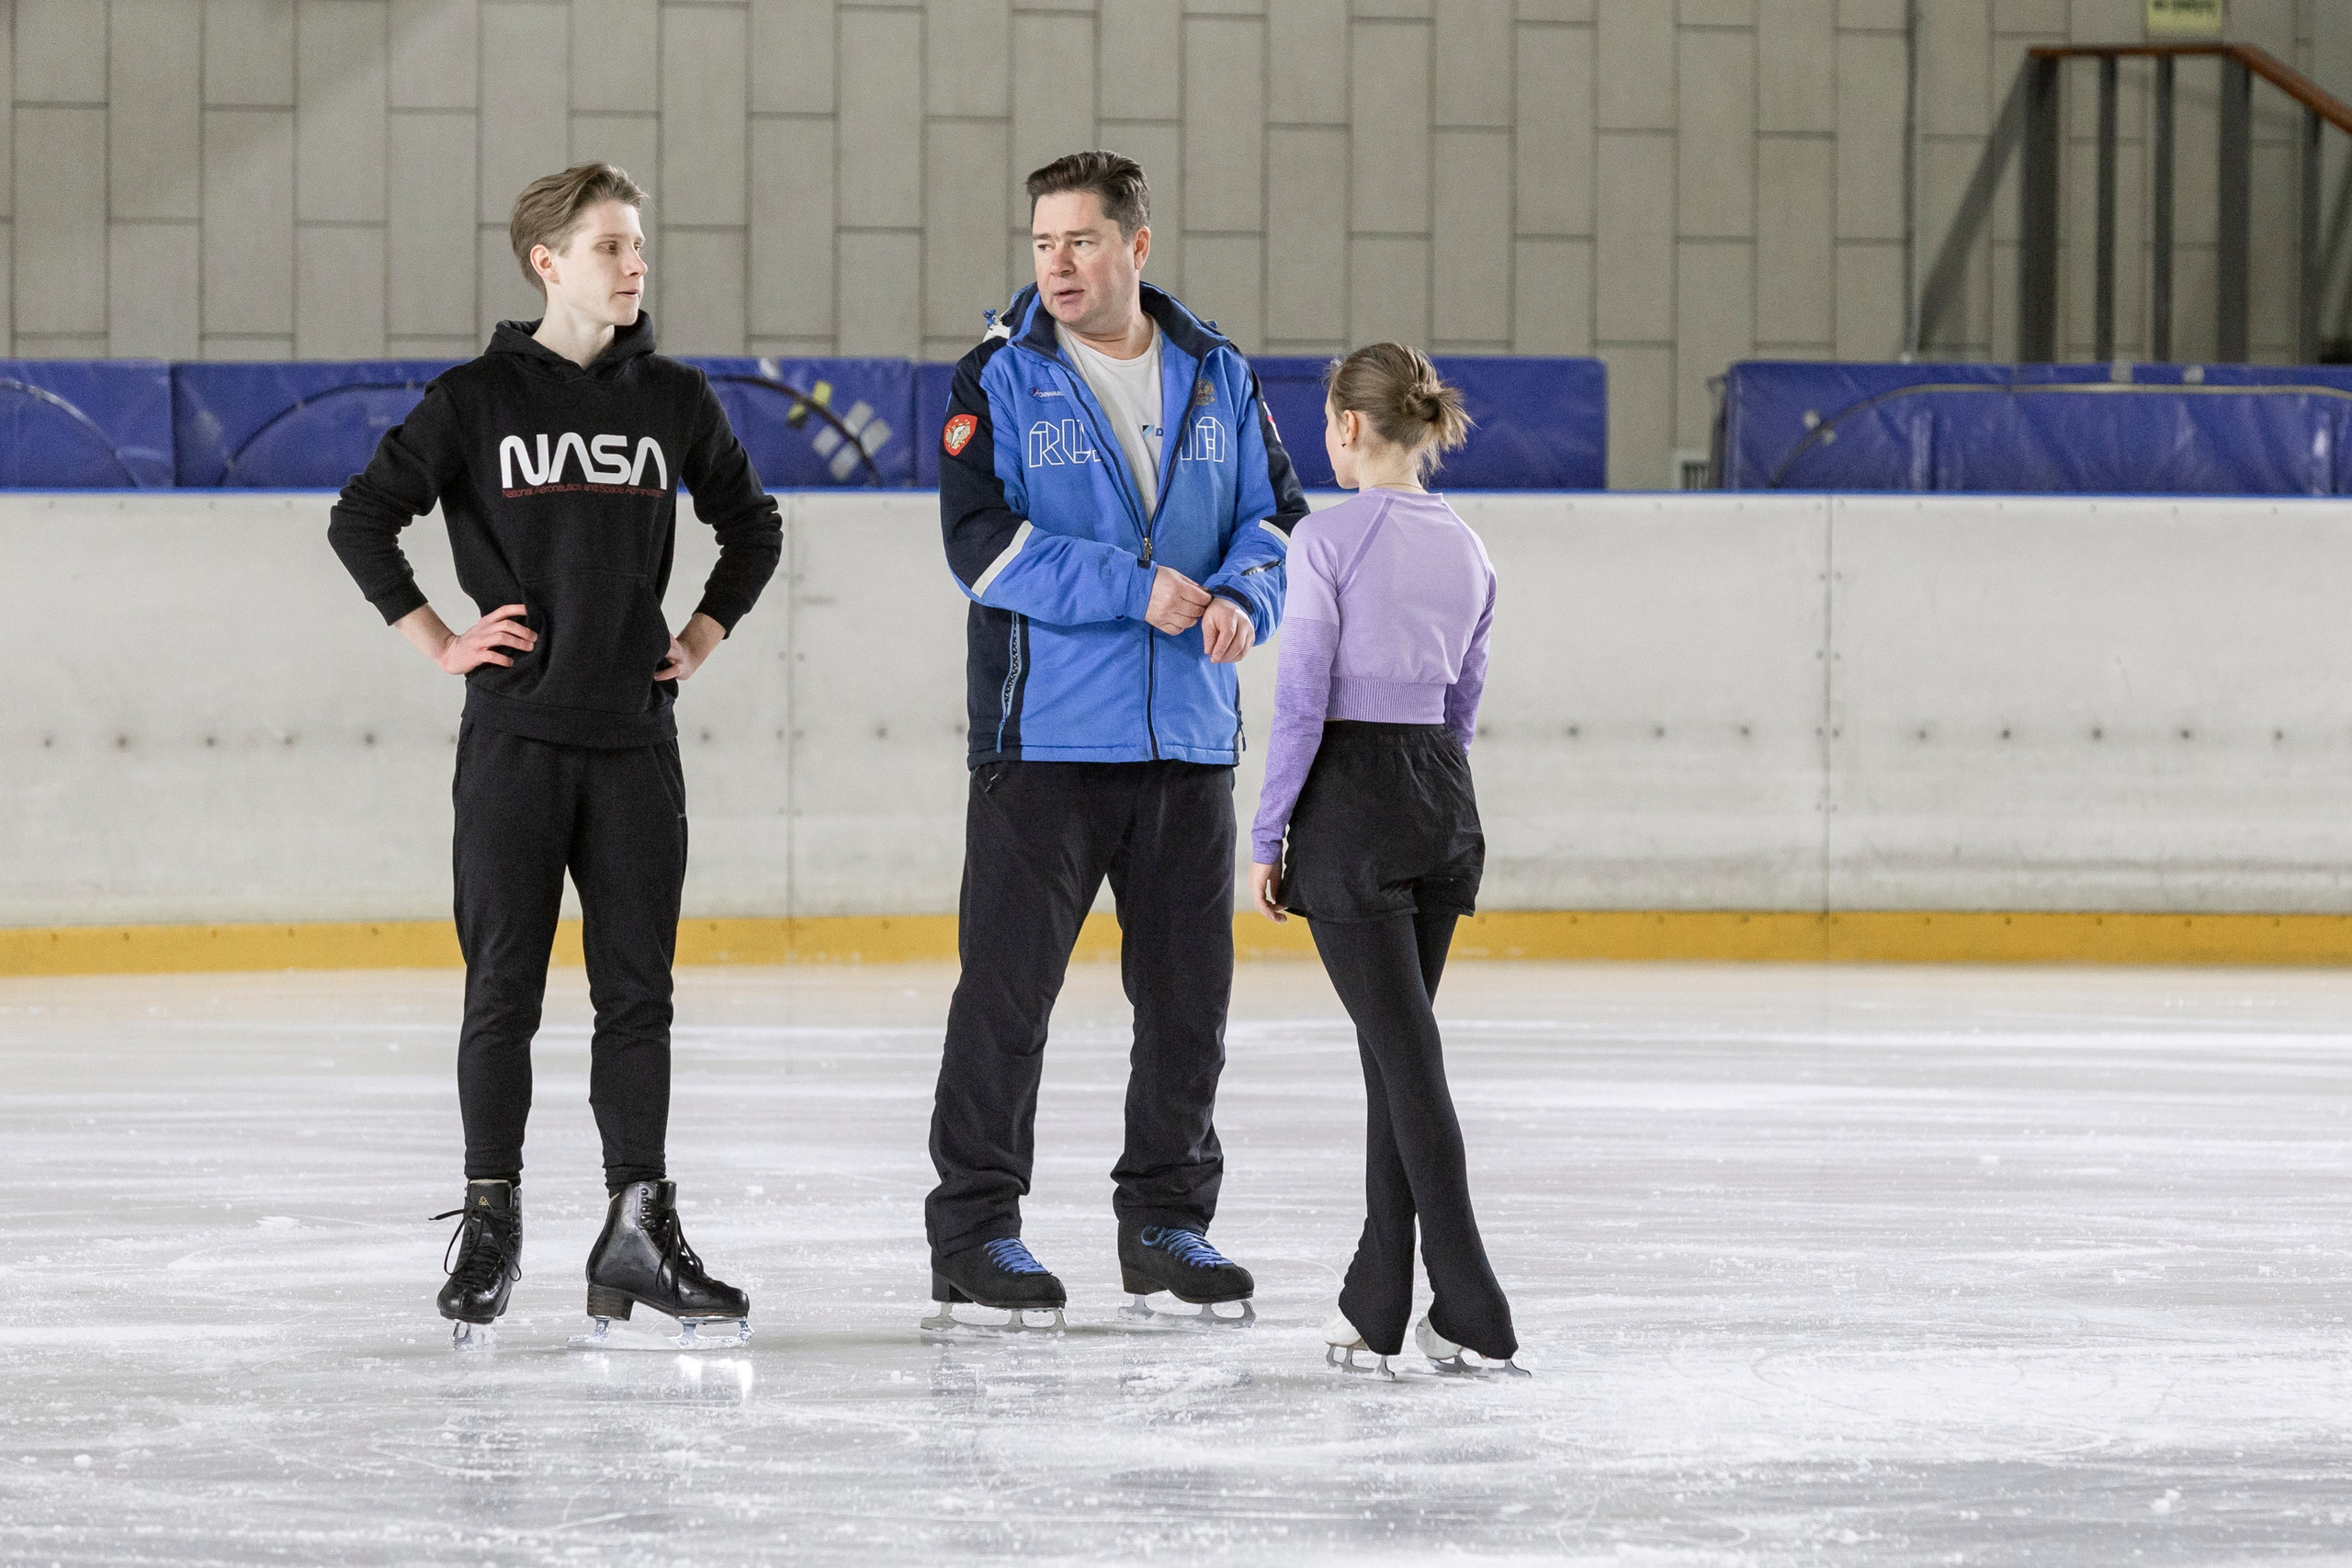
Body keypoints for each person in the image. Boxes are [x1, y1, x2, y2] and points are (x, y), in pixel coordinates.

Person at [326, 163, 783, 1348]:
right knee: (503, 991)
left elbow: (753, 523)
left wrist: (699, 635)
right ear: (548, 262)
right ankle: (492, 1227)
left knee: (639, 998)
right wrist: (440, 640)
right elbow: (361, 516)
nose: (635, 264)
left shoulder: (673, 398)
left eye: (637, 245)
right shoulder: (476, 399)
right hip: (515, 746)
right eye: (610, 246)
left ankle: (637, 1229)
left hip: (634, 746)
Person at [926, 150, 1309, 1329]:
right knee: (1007, 999)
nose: (1058, 265)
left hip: (1187, 743)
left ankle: (1164, 1224)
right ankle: (975, 1233)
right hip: (1042, 741)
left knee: (1188, 1004)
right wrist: (1131, 587)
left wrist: (1245, 594)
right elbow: (981, 547)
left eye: (1081, 242)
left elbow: (1277, 517)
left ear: (1136, 247)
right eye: (1044, 243)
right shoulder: (1000, 374)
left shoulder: (1217, 372)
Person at [1247, 344, 1526, 1378]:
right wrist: (1426, 789)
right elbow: (1463, 702)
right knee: (1393, 1058)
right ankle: (1377, 1301)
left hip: (1352, 805)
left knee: (1406, 1063)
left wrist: (1268, 832)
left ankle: (1473, 1304)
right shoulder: (1469, 547)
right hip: (1439, 799)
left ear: (1349, 427)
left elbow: (1301, 698)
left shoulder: (1327, 539)